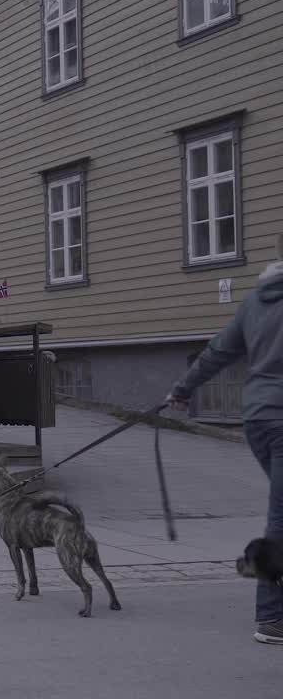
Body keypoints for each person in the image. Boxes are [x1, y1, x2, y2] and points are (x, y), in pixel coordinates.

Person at [165, 233, 283, 646]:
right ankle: (271, 616)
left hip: (259, 417)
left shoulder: (258, 298)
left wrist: (182, 388)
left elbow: (219, 350)